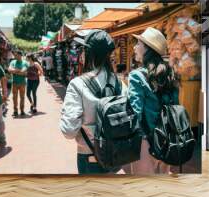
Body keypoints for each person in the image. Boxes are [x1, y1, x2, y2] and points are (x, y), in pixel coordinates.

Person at [60, 30, 124, 174]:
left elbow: (69, 131)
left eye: (83, 49)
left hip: (89, 157)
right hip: (116, 155)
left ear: (89, 53)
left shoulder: (77, 84)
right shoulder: (119, 83)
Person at [128, 27, 180, 174]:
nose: (135, 47)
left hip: (145, 143)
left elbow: (135, 113)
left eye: (138, 43)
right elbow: (175, 107)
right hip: (167, 141)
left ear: (146, 48)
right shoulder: (170, 74)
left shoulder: (137, 76)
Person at [8, 50, 28, 117]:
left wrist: (15, 71)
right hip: (15, 83)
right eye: (15, 55)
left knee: (22, 97)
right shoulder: (12, 62)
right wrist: (20, 72)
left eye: (16, 55)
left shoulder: (25, 62)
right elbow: (9, 70)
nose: (15, 56)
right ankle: (15, 111)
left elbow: (23, 71)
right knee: (14, 98)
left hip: (22, 83)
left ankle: (22, 110)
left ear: (20, 55)